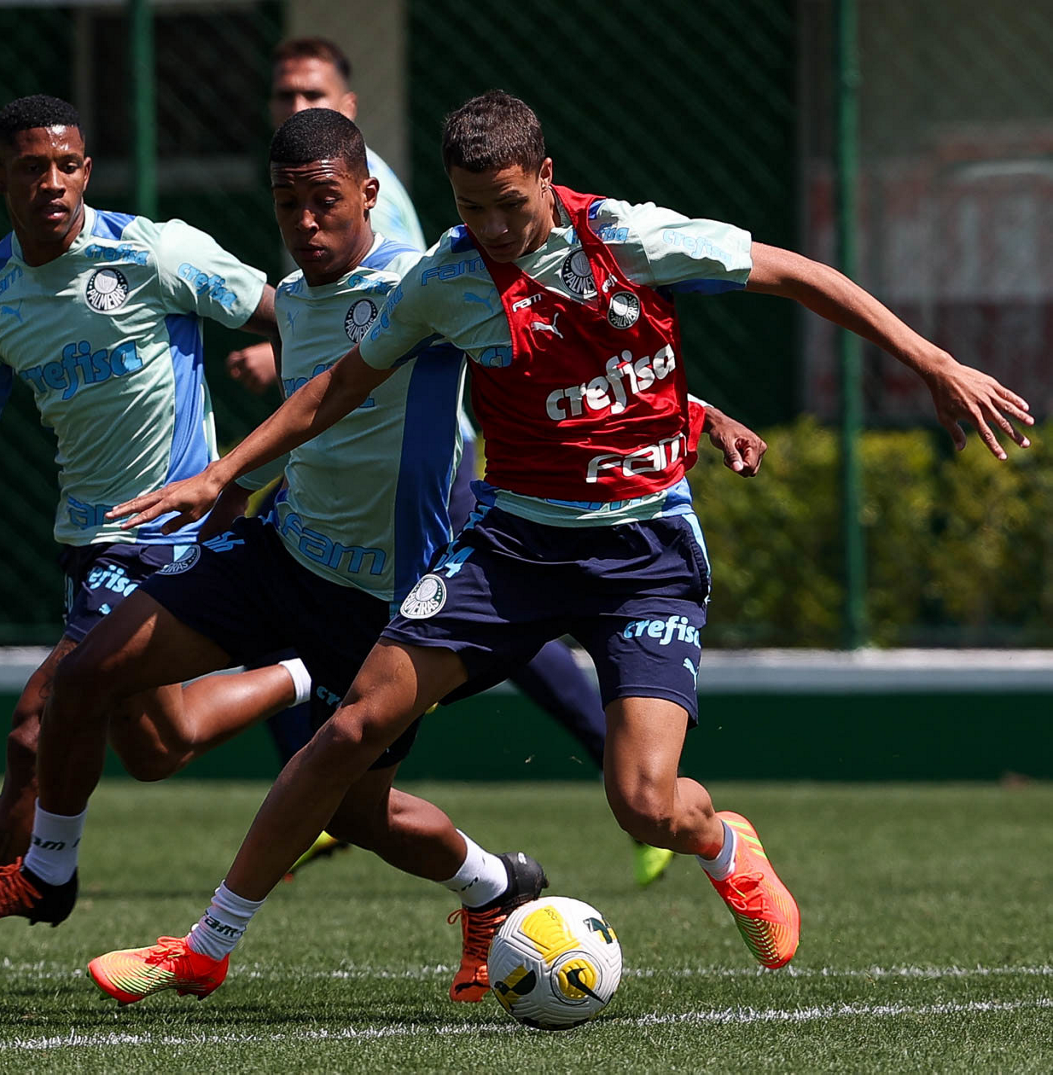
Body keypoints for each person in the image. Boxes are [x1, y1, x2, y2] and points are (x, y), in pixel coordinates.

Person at [79, 90, 1033, 1000]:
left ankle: (724, 843)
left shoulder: (630, 237)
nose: (492, 227)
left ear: (546, 174)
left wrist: (934, 362)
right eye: (469, 207)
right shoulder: (446, 279)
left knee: (645, 803)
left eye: (508, 203)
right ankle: (206, 949)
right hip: (514, 549)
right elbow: (339, 385)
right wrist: (226, 474)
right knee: (352, 727)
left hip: (645, 554)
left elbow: (798, 273)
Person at [0, 108, 772, 1006]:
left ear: (368, 194)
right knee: (87, 673)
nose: (305, 222)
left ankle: (495, 885)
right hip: (283, 552)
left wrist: (698, 411)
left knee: (363, 813)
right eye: (286, 203)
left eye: (323, 200)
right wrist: (231, 491)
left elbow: (576, 359)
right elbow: (311, 419)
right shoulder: (293, 297)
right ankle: (48, 871)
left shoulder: (429, 281)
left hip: (383, 598)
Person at [0, 94, 298, 1004]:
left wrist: (263, 417)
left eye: (67, 164)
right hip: (89, 546)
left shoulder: (155, 252)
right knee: (158, 745)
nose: (52, 182)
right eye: (31, 167)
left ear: (87, 170)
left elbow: (295, 318)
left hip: (175, 537)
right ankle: (308, 669)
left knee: (34, 727)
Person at [233, 36, 677, 888]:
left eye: (312, 94)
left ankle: (629, 787)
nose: (295, 109)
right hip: (355, 453)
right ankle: (324, 786)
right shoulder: (307, 189)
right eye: (283, 96)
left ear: (350, 109)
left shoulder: (381, 205)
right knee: (325, 610)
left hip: (430, 458)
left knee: (498, 631)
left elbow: (405, 316)